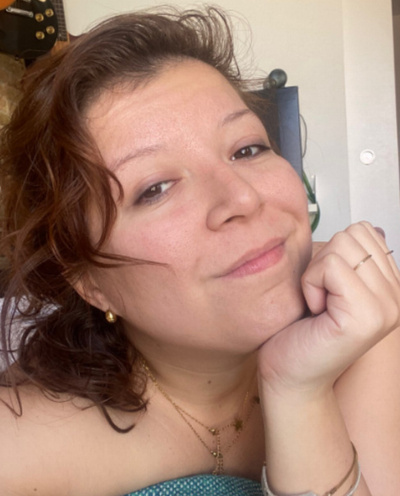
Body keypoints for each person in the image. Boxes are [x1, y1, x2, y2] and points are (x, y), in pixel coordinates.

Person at [0, 7, 399, 496]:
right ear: (89, 282)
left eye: (247, 149)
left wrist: (299, 392)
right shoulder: (22, 447)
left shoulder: (358, 324)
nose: (243, 198)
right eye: (155, 188)